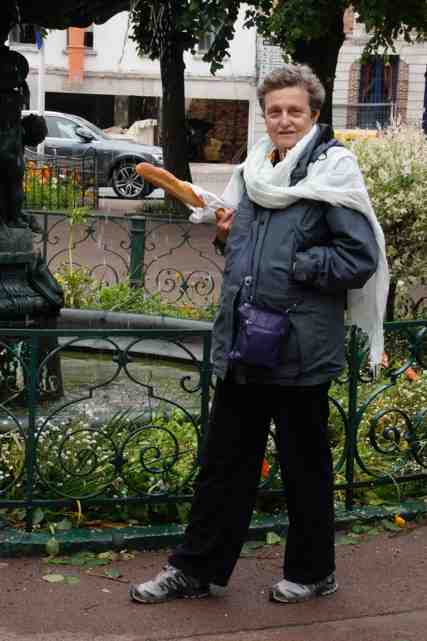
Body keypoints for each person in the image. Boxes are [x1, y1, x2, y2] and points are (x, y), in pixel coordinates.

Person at [129, 64, 389, 605]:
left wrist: (296, 263)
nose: (284, 120)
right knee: (223, 466)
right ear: (265, 117)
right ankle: (196, 570)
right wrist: (228, 237)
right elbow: (244, 248)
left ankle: (314, 573)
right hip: (245, 340)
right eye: (275, 111)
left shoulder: (333, 172)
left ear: (314, 114)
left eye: (295, 111)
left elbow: (359, 257)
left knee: (304, 469)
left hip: (300, 350)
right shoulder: (254, 170)